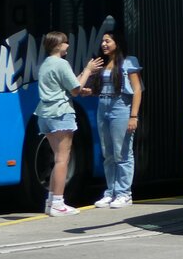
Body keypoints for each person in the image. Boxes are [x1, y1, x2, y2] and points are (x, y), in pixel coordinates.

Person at [34, 31, 99, 216]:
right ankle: (58, 203)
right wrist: (88, 70)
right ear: (58, 45)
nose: (68, 46)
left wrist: (79, 86)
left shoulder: (45, 64)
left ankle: (51, 202)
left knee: (57, 159)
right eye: (65, 43)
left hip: (44, 113)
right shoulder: (61, 64)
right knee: (63, 159)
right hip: (61, 114)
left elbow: (68, 88)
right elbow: (76, 90)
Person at [87, 31, 143, 209]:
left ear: (116, 43)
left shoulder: (129, 61)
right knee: (108, 152)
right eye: (102, 41)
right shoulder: (102, 63)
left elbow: (137, 90)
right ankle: (110, 192)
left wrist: (133, 116)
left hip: (121, 107)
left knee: (122, 152)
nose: (104, 44)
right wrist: (87, 91)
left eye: (107, 41)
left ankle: (124, 193)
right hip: (102, 106)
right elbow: (100, 87)